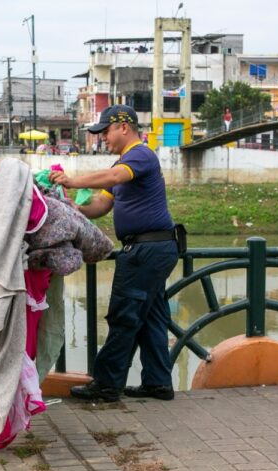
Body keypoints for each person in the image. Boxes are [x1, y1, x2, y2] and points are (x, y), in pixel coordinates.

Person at [49, 105, 179, 402]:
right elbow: (100, 206)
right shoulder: (124, 163)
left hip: (146, 250)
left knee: (124, 316)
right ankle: (158, 383)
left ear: (124, 127)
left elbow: (114, 177)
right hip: (152, 249)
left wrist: (73, 180)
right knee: (152, 318)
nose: (102, 138)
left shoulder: (139, 155)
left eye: (105, 131)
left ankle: (107, 384)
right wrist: (72, 208)